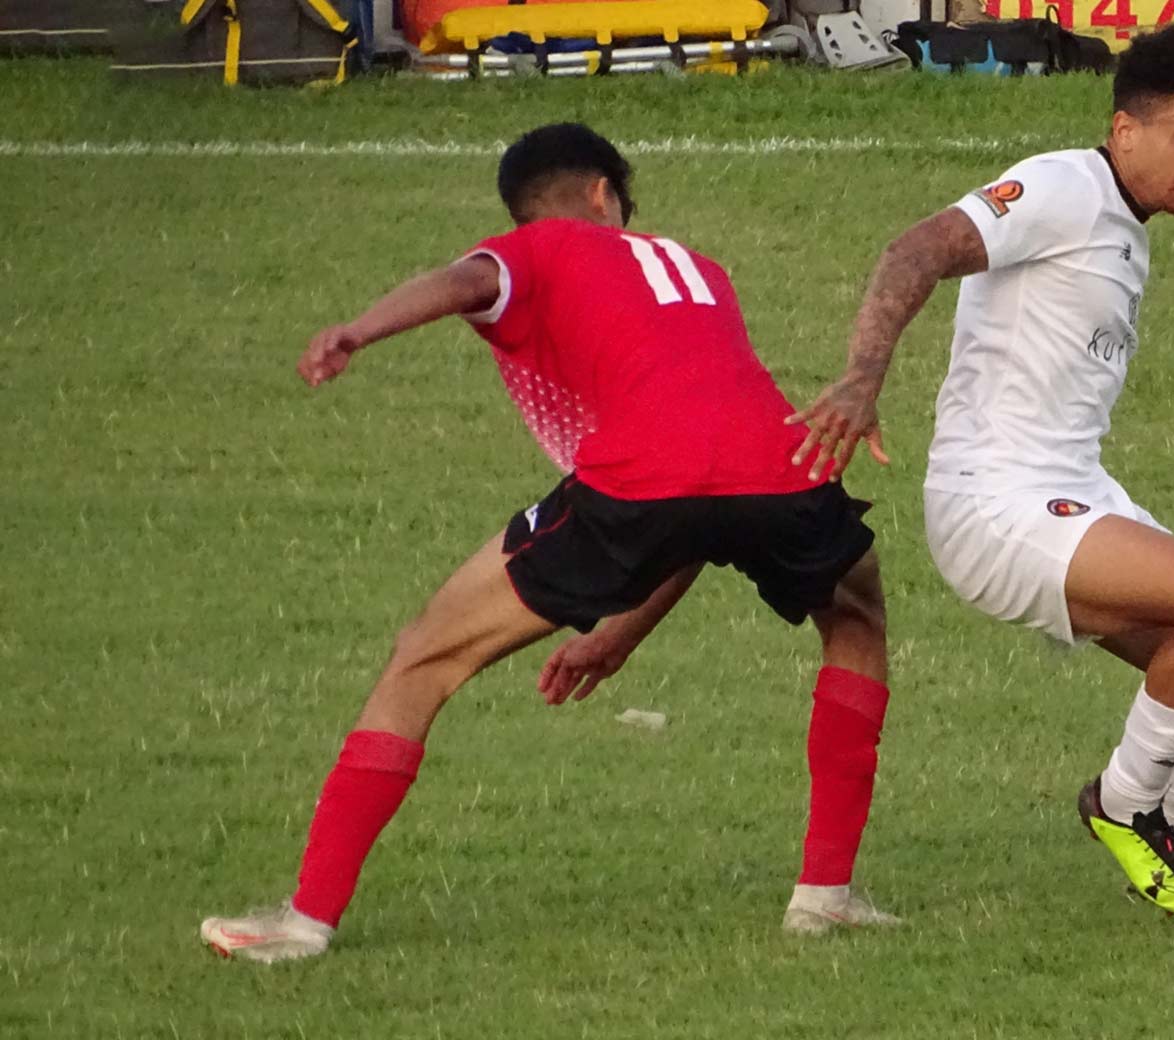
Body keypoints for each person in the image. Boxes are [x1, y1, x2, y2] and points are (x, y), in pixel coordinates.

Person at [201, 123, 898, 963]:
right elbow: (707, 506)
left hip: (640, 486)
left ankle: (306, 920)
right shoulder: (699, 270)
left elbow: (465, 282)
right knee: (856, 616)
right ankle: (824, 897)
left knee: (424, 656)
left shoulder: (536, 248)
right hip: (784, 465)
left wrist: (360, 329)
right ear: (605, 193)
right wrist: (621, 632)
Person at [788, 25, 1174, 920]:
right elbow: (916, 250)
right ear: (1125, 129)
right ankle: (1122, 806)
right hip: (997, 506)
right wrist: (862, 380)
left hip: (1068, 490)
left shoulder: (1123, 222)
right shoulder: (1063, 187)